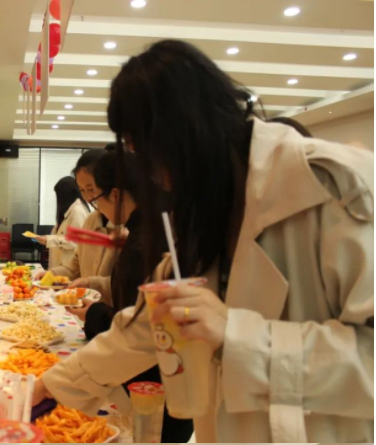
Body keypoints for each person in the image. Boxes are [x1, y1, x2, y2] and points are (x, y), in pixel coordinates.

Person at [34, 40, 374, 443]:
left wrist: (236, 335)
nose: (154, 176)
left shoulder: (334, 184)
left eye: (147, 152)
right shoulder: (206, 203)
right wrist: (50, 388)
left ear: (184, 130)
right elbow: (147, 328)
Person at [79, 149, 195, 443]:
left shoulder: (149, 239)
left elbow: (140, 327)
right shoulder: (152, 227)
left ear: (116, 194)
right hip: (166, 376)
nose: (97, 207)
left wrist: (93, 313)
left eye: (96, 198)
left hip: (155, 383)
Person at [34, 147, 117, 303]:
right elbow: (77, 262)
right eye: (82, 190)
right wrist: (53, 274)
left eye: (91, 189)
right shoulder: (91, 220)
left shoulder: (128, 226)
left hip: (109, 311)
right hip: (86, 306)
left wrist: (90, 283)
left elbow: (129, 283)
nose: (88, 197)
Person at [35, 176, 90, 269]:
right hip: (60, 266)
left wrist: (50, 240)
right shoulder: (69, 211)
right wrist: (47, 239)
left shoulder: (78, 211)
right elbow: (60, 235)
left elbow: (76, 241)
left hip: (69, 267)